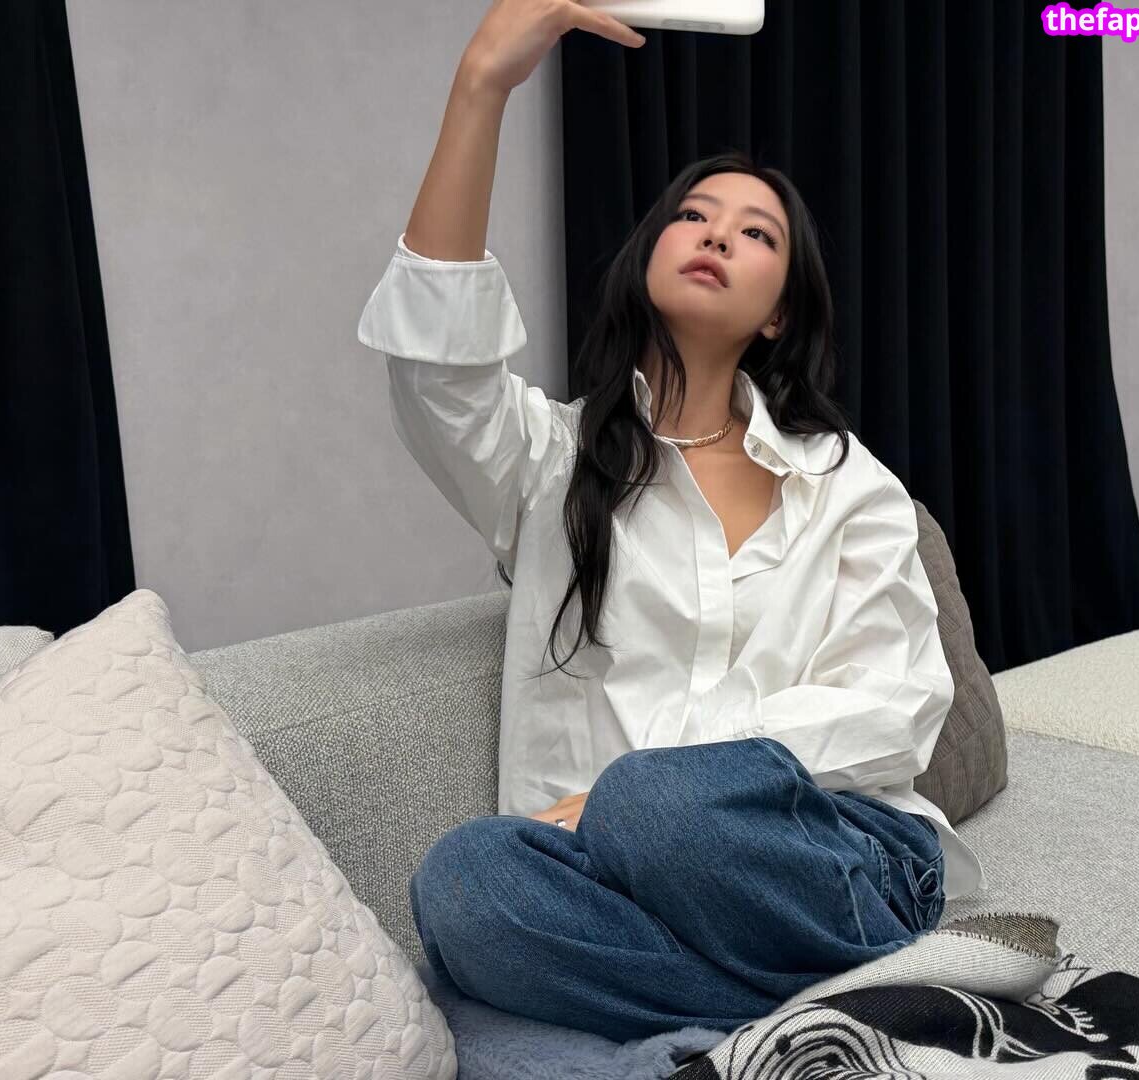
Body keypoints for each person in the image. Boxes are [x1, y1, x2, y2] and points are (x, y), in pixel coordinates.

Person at [356, 0, 987, 1044]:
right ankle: (816, 1023)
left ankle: (690, 1023)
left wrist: (648, 794)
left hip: (832, 858)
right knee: (464, 881)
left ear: (779, 311)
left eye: (756, 233)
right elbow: (437, 372)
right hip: (617, 884)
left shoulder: (847, 486)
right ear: (649, 255)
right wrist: (482, 85)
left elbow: (895, 709)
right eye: (694, 216)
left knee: (660, 810)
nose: (717, 234)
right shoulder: (552, 465)